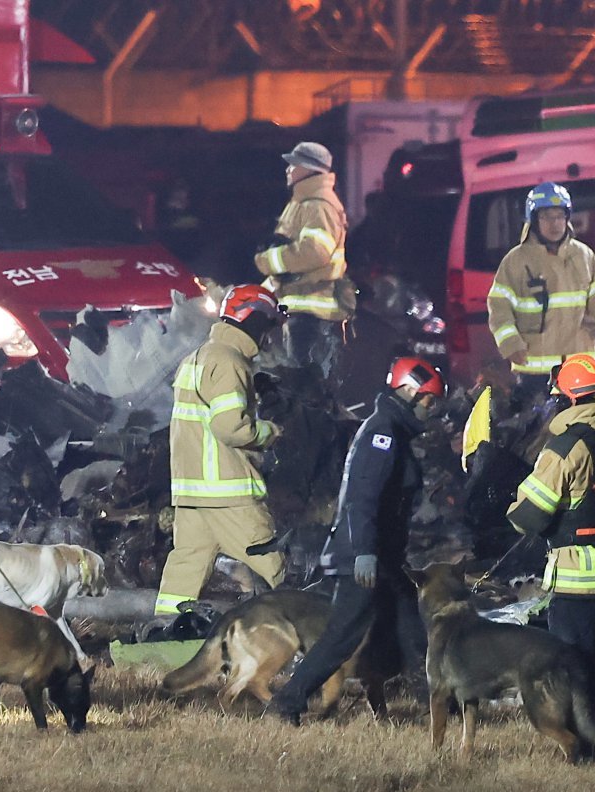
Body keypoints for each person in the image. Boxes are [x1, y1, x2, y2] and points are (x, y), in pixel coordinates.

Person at [266, 357, 446, 725]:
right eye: (429, 401)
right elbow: (363, 498)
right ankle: (286, 703)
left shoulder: (393, 430)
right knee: (342, 636)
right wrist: (364, 552)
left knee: (412, 628)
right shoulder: (383, 433)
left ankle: (435, 702)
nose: (433, 409)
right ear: (409, 392)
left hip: (383, 557)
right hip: (361, 557)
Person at [505, 354, 595, 762]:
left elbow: (529, 515)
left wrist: (511, 507)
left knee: (579, 673)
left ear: (567, 398)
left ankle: (591, 754)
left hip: (579, 584)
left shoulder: (566, 447)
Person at [155, 284, 287, 618]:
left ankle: (163, 632)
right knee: (272, 560)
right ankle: (302, 631)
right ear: (253, 319)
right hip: (226, 490)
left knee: (185, 567)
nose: (269, 334)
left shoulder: (199, 357)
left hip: (192, 490)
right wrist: (268, 432)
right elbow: (229, 428)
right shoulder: (229, 362)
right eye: (267, 323)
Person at [487, 182, 595, 393]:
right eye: (546, 217)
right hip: (535, 373)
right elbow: (499, 308)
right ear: (533, 220)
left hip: (580, 368)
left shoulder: (583, 256)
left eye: (560, 216)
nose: (555, 224)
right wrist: (510, 344)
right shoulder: (516, 261)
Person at [254, 142, 355, 377]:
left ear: (311, 169)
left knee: (304, 386)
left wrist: (267, 260)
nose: (288, 169)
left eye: (294, 164)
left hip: (312, 316)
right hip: (298, 310)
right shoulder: (302, 202)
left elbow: (314, 252)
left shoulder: (318, 205)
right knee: (294, 383)